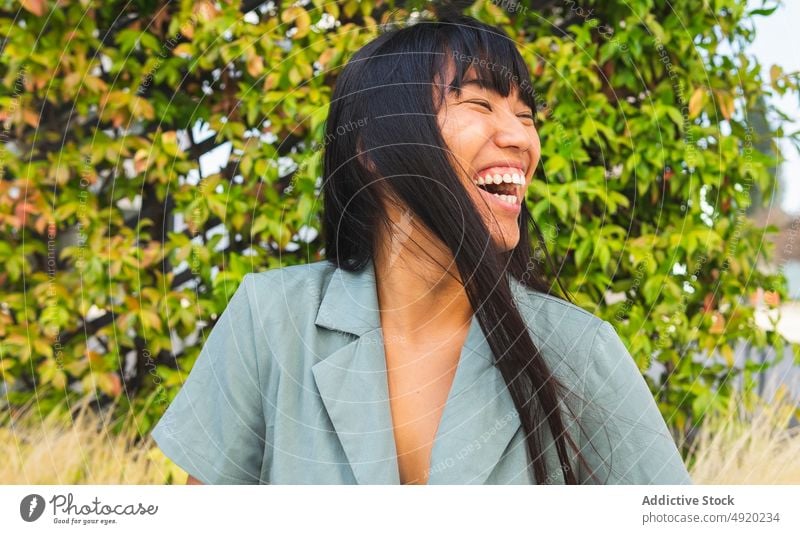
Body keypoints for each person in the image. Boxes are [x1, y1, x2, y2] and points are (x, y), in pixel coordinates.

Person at [150, 13, 692, 485]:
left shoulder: (577, 352)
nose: (522, 139)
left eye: (526, 116)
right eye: (480, 102)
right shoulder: (270, 319)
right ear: (373, 149)